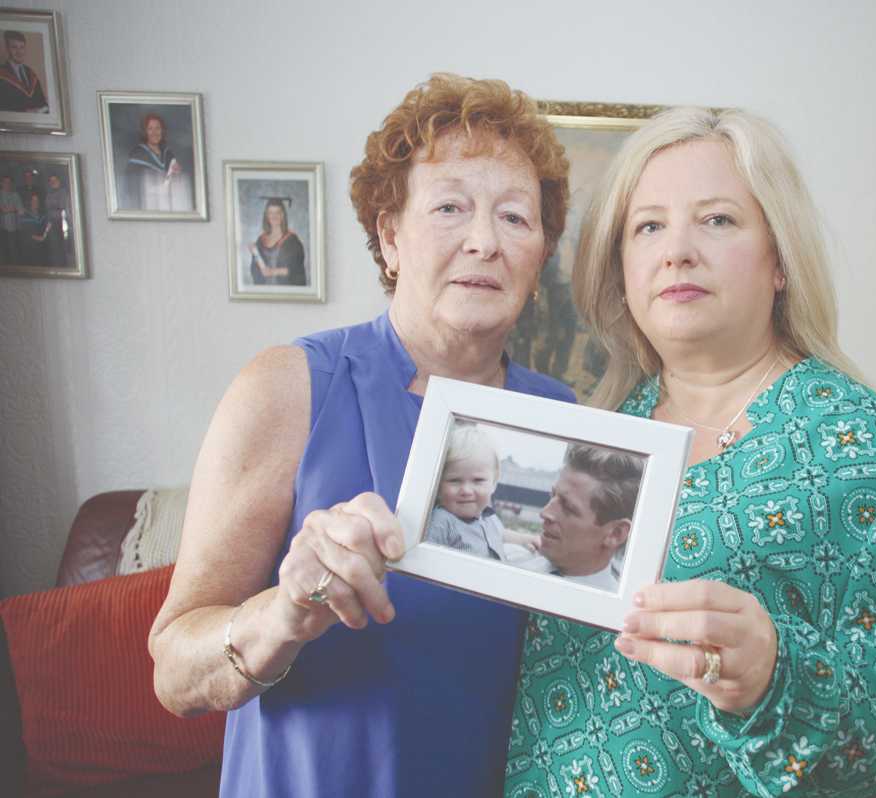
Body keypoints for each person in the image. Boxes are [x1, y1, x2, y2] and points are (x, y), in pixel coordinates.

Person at [504, 108, 876, 796]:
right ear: (622, 270)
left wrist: (780, 676)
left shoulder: (855, 445)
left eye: (717, 220)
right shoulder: (603, 429)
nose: (678, 249)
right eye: (648, 226)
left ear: (779, 260)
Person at [148, 74, 572, 797]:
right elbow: (174, 672)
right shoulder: (287, 388)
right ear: (390, 237)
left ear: (538, 259)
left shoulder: (559, 418)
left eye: (515, 218)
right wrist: (283, 613)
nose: (484, 241)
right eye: (450, 208)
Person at [531, 443, 643, 590]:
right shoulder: (508, 566)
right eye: (552, 495)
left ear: (616, 533)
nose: (544, 513)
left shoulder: (620, 611)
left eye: (567, 507)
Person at [424, 421, 539, 560]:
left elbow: (501, 534)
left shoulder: (488, 517)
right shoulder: (442, 521)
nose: (466, 490)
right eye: (454, 480)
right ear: (439, 483)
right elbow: (425, 560)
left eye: (478, 480)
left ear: (494, 483)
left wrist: (524, 539)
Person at [123, 112, 193, 212]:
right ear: (145, 132)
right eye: (150, 129)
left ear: (162, 131)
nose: (154, 132)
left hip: (169, 205)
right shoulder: (138, 155)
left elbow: (171, 182)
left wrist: (177, 174)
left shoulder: (168, 154)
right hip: (146, 206)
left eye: (158, 128)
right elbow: (130, 186)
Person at [248, 197, 306, 286]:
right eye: (270, 213)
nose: (274, 216)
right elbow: (255, 269)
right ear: (266, 215)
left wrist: (273, 272)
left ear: (282, 215)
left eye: (277, 213)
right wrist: (255, 254)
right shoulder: (261, 240)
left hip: (285, 291)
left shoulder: (292, 240)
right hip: (265, 293)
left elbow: (297, 268)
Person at [0, 31, 48, 113]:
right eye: (14, 47)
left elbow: (42, 102)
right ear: (7, 49)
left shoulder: (31, 73)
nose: (19, 52)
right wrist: (25, 111)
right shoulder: (2, 74)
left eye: (21, 47)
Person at [41, 173, 69, 267]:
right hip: (51, 223)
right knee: (54, 247)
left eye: (55, 180)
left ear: (59, 181)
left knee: (63, 247)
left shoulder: (63, 192)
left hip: (61, 222)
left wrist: (53, 207)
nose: (53, 183)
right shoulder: (49, 194)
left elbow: (61, 206)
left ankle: (63, 266)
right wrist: (54, 206)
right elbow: (47, 207)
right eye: (51, 181)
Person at [0, 175, 21, 264]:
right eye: (5, 182)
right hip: (1, 228)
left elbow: (21, 210)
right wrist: (12, 209)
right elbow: (2, 210)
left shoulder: (15, 195)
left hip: (13, 229)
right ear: (1, 183)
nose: (7, 184)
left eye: (9, 182)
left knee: (14, 254)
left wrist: (6, 210)